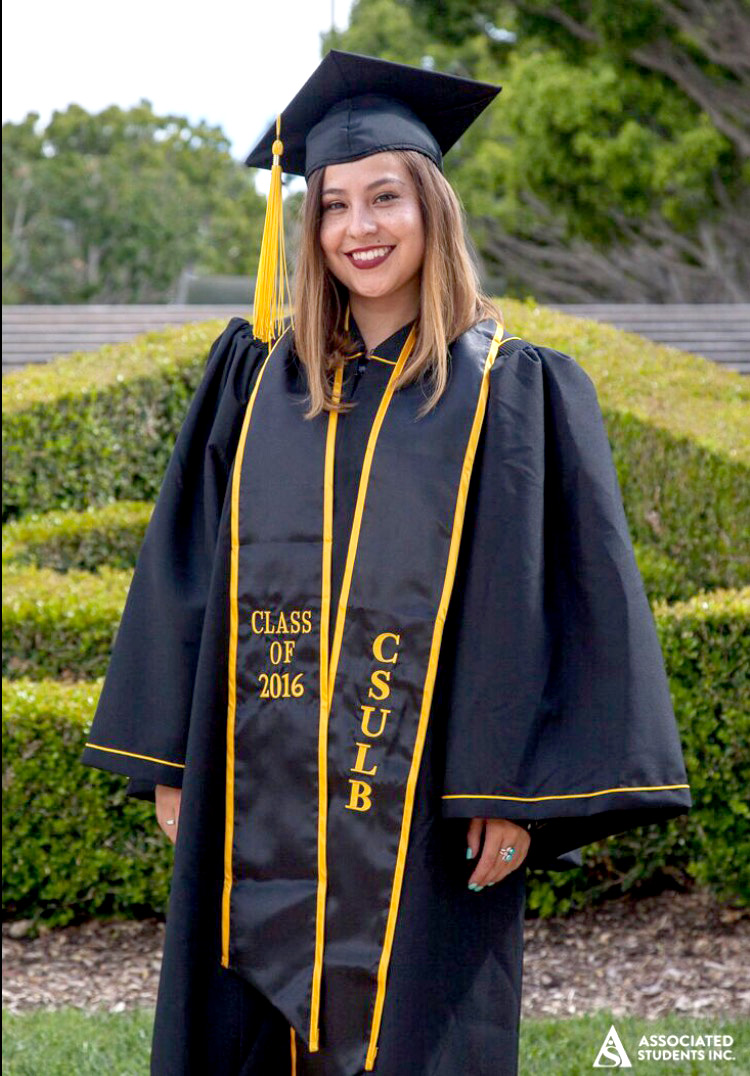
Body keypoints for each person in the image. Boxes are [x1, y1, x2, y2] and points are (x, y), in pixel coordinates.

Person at [81, 50, 692, 1076]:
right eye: (333, 204)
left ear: (433, 210)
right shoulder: (255, 386)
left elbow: (535, 600)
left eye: (385, 197)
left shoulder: (507, 392)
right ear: (308, 227)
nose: (359, 228)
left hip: (417, 806)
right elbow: (185, 568)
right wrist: (173, 755)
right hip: (253, 797)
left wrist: (502, 783)